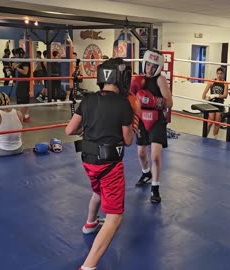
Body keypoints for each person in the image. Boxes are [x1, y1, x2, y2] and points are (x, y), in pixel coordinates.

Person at [65, 57, 139, 270]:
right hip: (109, 165)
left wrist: (88, 127)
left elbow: (69, 131)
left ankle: (89, 224)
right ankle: (88, 267)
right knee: (115, 217)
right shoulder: (124, 104)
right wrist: (131, 125)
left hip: (88, 162)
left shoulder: (87, 99)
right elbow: (127, 141)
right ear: (123, 78)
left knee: (98, 191)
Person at [133, 50, 173, 204]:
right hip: (142, 119)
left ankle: (155, 188)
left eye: (153, 66)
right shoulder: (139, 79)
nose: (149, 68)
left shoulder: (160, 80)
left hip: (157, 120)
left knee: (155, 156)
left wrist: (154, 101)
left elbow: (169, 103)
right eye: (148, 64)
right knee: (141, 153)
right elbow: (131, 98)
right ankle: (146, 173)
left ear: (159, 67)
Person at [201, 67, 229, 139]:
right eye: (218, 73)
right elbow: (203, 94)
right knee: (210, 122)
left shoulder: (225, 83)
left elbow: (225, 96)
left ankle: (215, 138)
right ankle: (204, 137)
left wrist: (216, 95)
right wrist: (207, 97)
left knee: (217, 122)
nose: (219, 75)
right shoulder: (211, 82)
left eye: (221, 74)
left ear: (223, 74)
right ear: (216, 74)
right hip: (212, 103)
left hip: (219, 104)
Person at [12, 48, 31, 122]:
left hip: (23, 84)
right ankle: (26, 117)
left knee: (21, 102)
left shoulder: (25, 62)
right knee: (25, 101)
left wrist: (16, 67)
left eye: (16, 54)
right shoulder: (23, 61)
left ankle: (18, 119)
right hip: (24, 84)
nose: (15, 55)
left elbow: (25, 72)